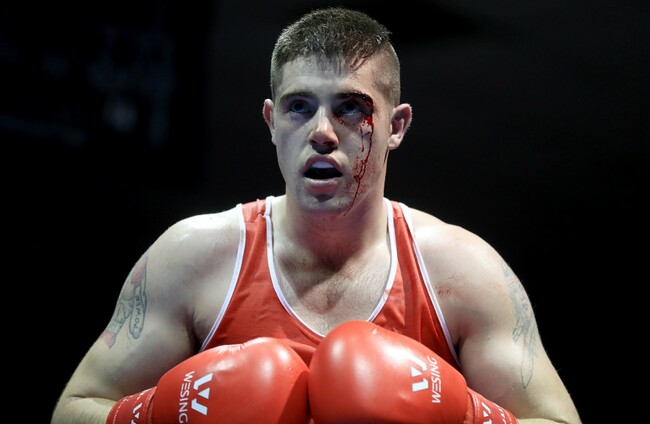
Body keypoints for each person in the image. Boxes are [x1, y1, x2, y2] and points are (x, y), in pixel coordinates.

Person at [52, 6, 581, 424]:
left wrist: (460, 412)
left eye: (350, 107)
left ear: (396, 127)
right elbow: (75, 407)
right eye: (299, 107)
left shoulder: (463, 272)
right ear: (272, 122)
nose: (322, 132)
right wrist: (156, 413)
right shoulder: (193, 257)